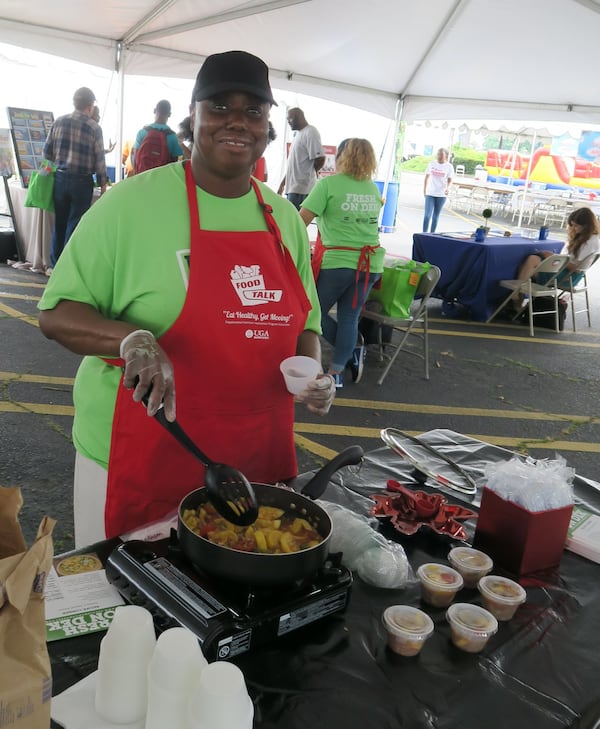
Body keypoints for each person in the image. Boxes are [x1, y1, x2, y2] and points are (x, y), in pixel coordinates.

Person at [37, 49, 336, 548]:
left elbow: (305, 324)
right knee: (125, 606)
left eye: (253, 111)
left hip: (253, 464)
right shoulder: (129, 206)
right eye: (219, 107)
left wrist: (313, 374)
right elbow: (56, 313)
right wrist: (130, 339)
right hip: (140, 456)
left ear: (268, 128)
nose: (237, 121)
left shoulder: (283, 218)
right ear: (192, 120)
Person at [299, 138, 385, 388]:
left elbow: (299, 221)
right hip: (370, 263)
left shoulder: (328, 184)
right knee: (349, 317)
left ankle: (351, 350)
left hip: (338, 261)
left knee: (311, 313)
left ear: (340, 157)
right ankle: (337, 371)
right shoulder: (371, 188)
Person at [43, 86, 107, 267]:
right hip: (82, 182)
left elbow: (46, 152)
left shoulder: (59, 122)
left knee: (60, 223)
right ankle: (67, 267)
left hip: (61, 179)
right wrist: (103, 183)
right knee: (75, 224)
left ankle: (55, 266)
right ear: (90, 106)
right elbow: (99, 159)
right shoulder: (94, 127)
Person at [512, 206, 600, 304]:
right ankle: (518, 301)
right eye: (572, 225)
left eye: (576, 226)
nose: (574, 229)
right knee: (526, 267)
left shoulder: (590, 241)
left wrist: (553, 257)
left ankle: (515, 297)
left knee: (530, 263)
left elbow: (576, 268)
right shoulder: (586, 237)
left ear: (586, 225)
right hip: (566, 273)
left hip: (568, 276)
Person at [278, 107, 325, 209]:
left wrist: (311, 173)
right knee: (292, 221)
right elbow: (294, 165)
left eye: (289, 119)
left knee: (295, 222)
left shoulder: (310, 132)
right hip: (293, 188)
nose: (288, 122)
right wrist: (282, 184)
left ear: (297, 117)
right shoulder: (298, 135)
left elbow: (320, 158)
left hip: (302, 189)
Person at [131, 99, 183, 173]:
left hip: (142, 178)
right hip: (162, 179)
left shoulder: (142, 132)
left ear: (154, 110)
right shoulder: (173, 137)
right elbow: (174, 163)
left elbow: (135, 158)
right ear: (169, 114)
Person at [422, 147, 453, 233]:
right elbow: (426, 178)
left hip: (441, 194)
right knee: (427, 216)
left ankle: (432, 234)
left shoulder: (449, 167)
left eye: (441, 155)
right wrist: (424, 190)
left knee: (435, 216)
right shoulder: (431, 164)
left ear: (446, 156)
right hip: (430, 193)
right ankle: (424, 234)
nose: (439, 156)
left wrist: (448, 188)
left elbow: (450, 180)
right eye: (438, 154)